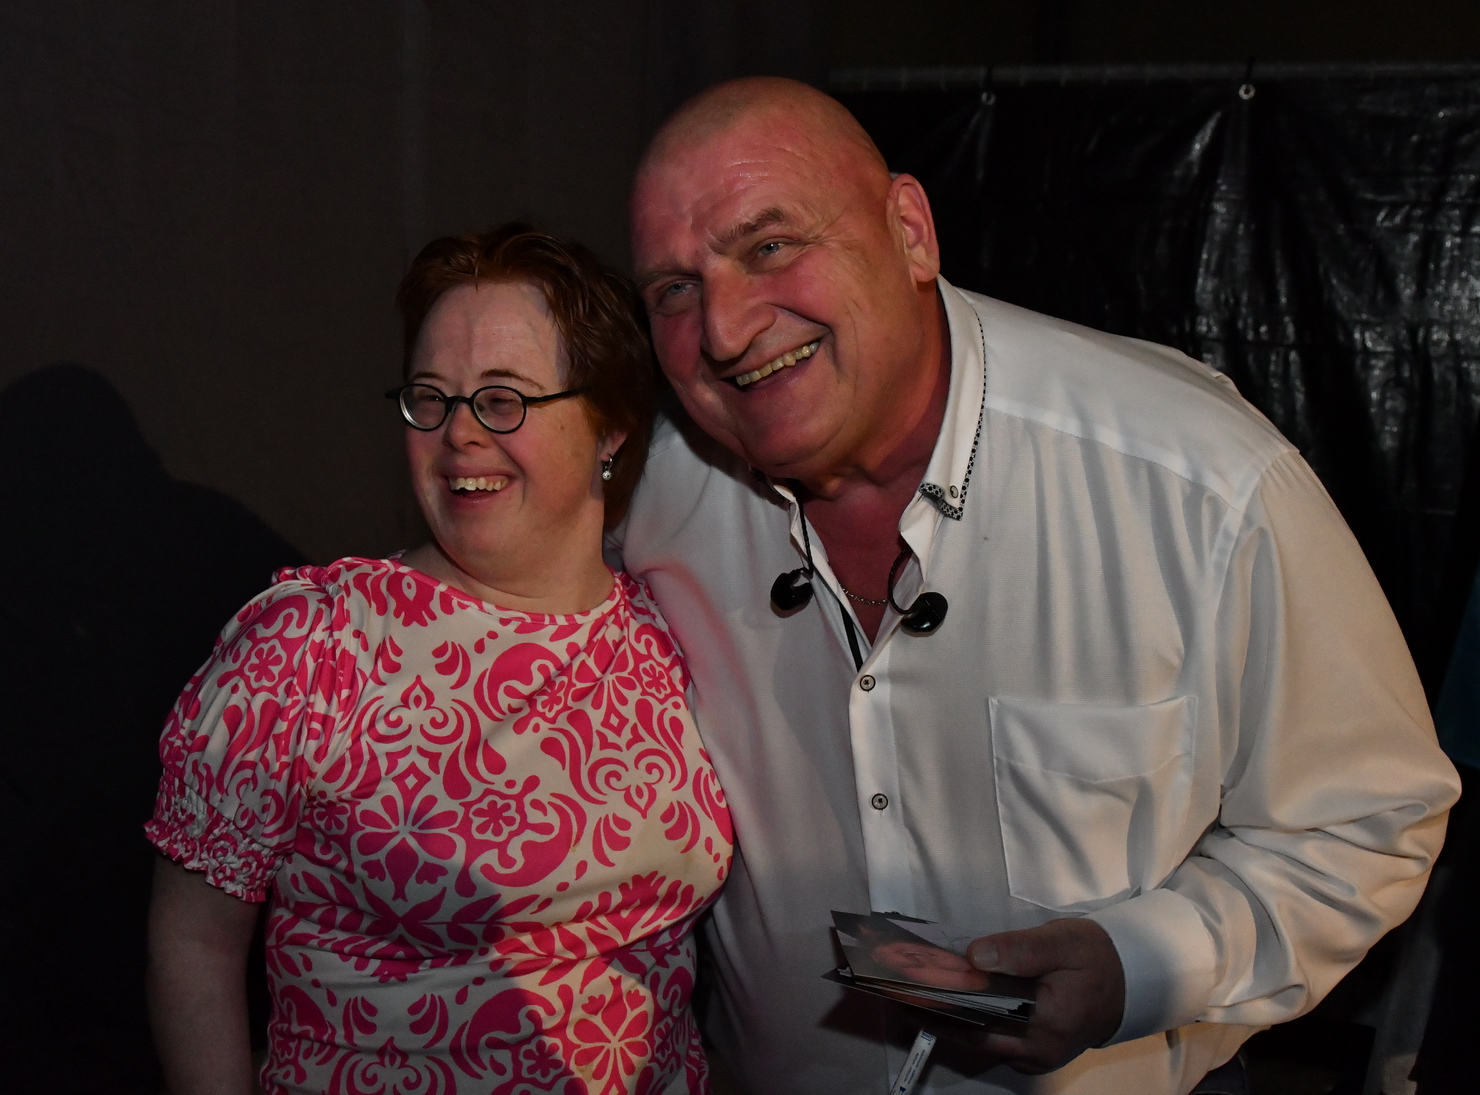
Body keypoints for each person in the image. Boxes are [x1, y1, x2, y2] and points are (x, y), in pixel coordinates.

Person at [613, 77, 1462, 1093]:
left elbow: (1369, 820)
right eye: (674, 289)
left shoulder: (1196, 482)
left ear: (910, 232)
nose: (723, 329)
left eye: (769, 246)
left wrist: (1141, 963)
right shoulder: (645, 498)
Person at [145, 224, 733, 1094]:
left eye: (502, 399)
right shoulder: (309, 646)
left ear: (610, 426)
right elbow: (194, 942)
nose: (458, 434)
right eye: (431, 397)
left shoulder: (672, 626)